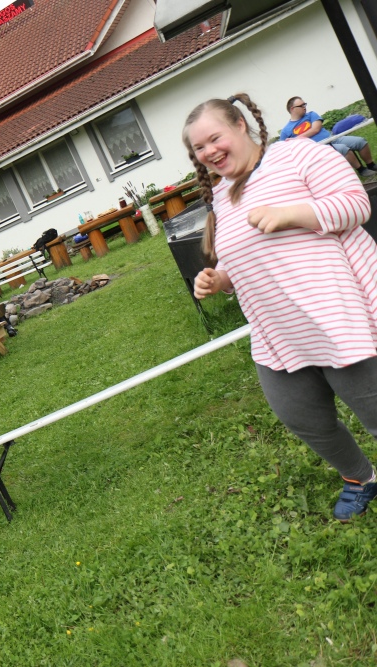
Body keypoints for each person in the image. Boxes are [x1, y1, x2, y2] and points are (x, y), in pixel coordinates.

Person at [185, 92, 377, 522]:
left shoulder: (298, 155)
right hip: (279, 333)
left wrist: (292, 214)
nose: (209, 151)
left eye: (214, 138)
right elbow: (242, 260)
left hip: (340, 314)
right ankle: (360, 477)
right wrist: (220, 279)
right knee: (302, 418)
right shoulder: (221, 196)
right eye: (199, 147)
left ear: (240, 124)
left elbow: (356, 204)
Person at [279, 96, 377, 178]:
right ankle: (362, 170)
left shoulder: (311, 114)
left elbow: (316, 129)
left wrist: (295, 139)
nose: (304, 107)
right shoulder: (286, 131)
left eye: (305, 104)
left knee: (360, 141)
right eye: (301, 105)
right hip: (319, 148)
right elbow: (284, 149)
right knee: (343, 149)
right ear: (292, 109)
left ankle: (371, 165)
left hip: (333, 139)